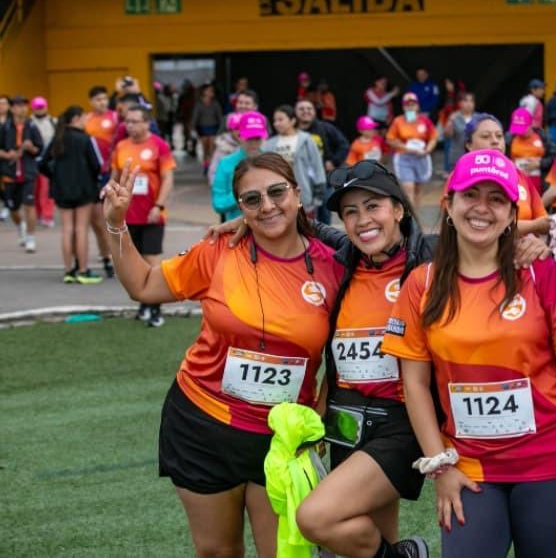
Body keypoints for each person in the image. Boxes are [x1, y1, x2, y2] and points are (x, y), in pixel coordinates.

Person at [102, 151, 342, 558]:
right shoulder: (218, 250)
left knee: (285, 552)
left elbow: (343, 358)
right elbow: (143, 285)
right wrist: (116, 223)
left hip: (282, 437)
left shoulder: (334, 266)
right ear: (240, 208)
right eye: (252, 200)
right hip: (202, 424)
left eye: (277, 192)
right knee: (218, 551)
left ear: (298, 193)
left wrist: (319, 416)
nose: (267, 206)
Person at [381, 149, 556, 558]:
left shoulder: (540, 273)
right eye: (471, 195)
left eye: (496, 199)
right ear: (449, 204)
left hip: (551, 457)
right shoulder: (422, 284)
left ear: (511, 215)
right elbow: (414, 384)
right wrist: (440, 465)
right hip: (471, 465)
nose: (482, 208)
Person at [296, 160, 434, 558]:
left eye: (373, 206)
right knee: (366, 539)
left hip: (400, 423)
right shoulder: (344, 261)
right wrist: (243, 221)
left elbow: (487, 234)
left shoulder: (433, 255)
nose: (362, 220)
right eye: (350, 212)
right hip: (345, 421)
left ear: (399, 209)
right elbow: (302, 224)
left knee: (317, 518)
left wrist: (529, 240)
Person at [111, 104, 175, 328]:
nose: (130, 125)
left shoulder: (159, 145)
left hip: (152, 215)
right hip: (128, 215)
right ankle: (143, 304)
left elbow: (167, 178)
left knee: (152, 260)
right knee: (134, 262)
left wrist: (158, 205)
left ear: (147, 123)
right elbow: (115, 177)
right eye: (127, 121)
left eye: (135, 121)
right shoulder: (121, 146)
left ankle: (156, 308)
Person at [39, 106, 102, 284]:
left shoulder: (57, 138)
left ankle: (68, 270)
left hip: (61, 189)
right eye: (83, 117)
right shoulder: (86, 139)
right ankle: (83, 270)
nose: (85, 120)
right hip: (84, 189)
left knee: (67, 229)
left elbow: (42, 163)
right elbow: (97, 165)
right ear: (75, 119)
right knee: (81, 229)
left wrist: (55, 176)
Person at [461, 113, 549, 237]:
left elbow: (544, 222)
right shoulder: (460, 176)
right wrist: (532, 226)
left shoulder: (520, 176)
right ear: (469, 144)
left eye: (499, 136)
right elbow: (484, 228)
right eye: (486, 136)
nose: (495, 141)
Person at [263, 104, 326, 219]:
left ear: (292, 120)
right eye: (275, 120)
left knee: (306, 227)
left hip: (304, 196)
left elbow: (317, 166)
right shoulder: (269, 144)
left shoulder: (306, 139)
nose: (276, 123)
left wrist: (318, 195)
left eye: (280, 119)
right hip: (277, 197)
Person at [294, 98, 349, 223]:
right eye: (301, 109)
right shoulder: (291, 131)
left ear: (314, 111)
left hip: (324, 180)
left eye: (309, 108)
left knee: (324, 219)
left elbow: (344, 144)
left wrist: (334, 161)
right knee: (302, 219)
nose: (306, 111)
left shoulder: (325, 128)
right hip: (299, 182)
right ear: (295, 112)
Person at [85, 85, 119, 278]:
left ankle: (118, 255)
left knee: (115, 216)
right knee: (98, 221)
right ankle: (105, 255)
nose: (102, 102)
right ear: (91, 102)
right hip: (93, 175)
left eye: (105, 99)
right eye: (98, 99)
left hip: (112, 173)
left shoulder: (115, 118)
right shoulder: (86, 120)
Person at [3, 95, 43, 253]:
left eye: (25, 106)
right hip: (9, 172)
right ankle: (20, 226)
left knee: (29, 205)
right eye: (19, 106)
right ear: (12, 108)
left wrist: (31, 148)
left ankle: (31, 238)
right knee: (12, 207)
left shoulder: (32, 126)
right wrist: (7, 155)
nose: (22, 109)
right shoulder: (5, 127)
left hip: (28, 171)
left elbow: (40, 149)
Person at [212, 111, 268, 221]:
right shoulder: (226, 163)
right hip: (237, 228)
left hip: (268, 226)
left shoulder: (272, 161)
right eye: (249, 138)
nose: (253, 143)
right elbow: (218, 203)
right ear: (239, 136)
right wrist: (243, 194)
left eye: (257, 138)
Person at [386, 92, 437, 209]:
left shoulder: (425, 120)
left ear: (417, 106)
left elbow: (433, 137)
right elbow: (390, 139)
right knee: (409, 188)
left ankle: (416, 215)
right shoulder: (398, 121)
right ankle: (411, 216)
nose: (410, 107)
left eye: (413, 104)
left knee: (418, 190)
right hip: (404, 158)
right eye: (407, 105)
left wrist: (427, 150)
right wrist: (407, 148)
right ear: (403, 107)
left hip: (421, 158)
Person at [507, 107, 556, 195]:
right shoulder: (509, 138)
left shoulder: (543, 137)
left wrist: (540, 163)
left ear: (530, 125)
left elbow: (554, 158)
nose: (519, 132)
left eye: (522, 128)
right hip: (517, 184)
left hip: (540, 185)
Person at [30, 96, 57, 228]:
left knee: (46, 190)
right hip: (32, 160)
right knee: (34, 190)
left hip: (48, 161)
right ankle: (37, 214)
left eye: (42, 107)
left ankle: (47, 215)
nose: (40, 110)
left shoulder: (53, 122)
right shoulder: (29, 123)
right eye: (37, 107)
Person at [191, 84, 223, 172]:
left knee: (212, 149)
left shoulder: (215, 104)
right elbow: (195, 117)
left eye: (212, 91)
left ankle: (212, 167)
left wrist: (221, 130)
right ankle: (206, 165)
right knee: (205, 149)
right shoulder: (199, 104)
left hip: (213, 128)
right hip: (202, 129)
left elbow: (220, 117)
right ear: (204, 92)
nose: (211, 92)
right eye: (209, 90)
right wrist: (192, 128)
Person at [207, 111, 243, 186]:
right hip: (227, 187)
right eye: (237, 128)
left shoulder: (252, 145)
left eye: (243, 128)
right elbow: (214, 170)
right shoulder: (222, 145)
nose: (240, 131)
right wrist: (218, 188)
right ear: (231, 130)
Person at [444, 92, 475, 172]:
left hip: (474, 158)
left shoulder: (478, 118)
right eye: (466, 101)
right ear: (460, 103)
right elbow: (447, 135)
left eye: (471, 101)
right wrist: (450, 121)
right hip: (457, 157)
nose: (469, 103)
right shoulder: (454, 117)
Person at [0, 95, 12, 222]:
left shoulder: (12, 121)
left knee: (7, 181)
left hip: (9, 156)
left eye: (3, 103)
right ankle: (5, 200)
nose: (1, 106)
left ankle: (8, 205)